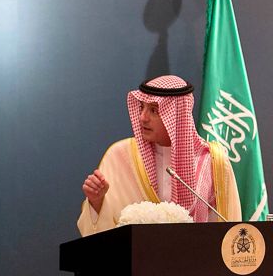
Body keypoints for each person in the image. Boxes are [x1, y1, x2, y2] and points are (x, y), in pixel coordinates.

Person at [78, 75, 241, 236]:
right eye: (141, 107)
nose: (142, 117)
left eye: (154, 110)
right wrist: (96, 201)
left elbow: (228, 229)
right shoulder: (119, 156)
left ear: (176, 115)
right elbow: (101, 232)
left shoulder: (211, 161)